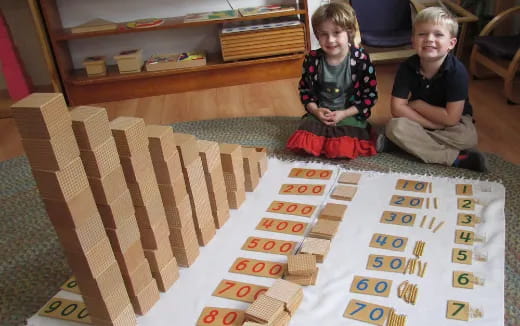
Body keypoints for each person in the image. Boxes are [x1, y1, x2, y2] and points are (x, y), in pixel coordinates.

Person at [383, 6, 487, 172]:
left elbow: (451, 118)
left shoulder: (457, 71)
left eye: (438, 34)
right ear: (413, 40)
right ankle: (453, 159)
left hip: (452, 121)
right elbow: (397, 108)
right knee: (395, 127)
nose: (429, 39)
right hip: (420, 119)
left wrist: (418, 105)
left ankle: (403, 144)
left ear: (451, 43)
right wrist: (432, 125)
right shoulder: (406, 67)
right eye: (422, 34)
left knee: (468, 138)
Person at [286, 2, 379, 159]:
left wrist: (344, 114)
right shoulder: (312, 59)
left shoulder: (361, 59)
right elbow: (305, 91)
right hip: (321, 112)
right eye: (324, 34)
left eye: (337, 33)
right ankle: (324, 137)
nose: (330, 40)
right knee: (303, 144)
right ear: (317, 35)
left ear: (349, 33)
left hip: (348, 112)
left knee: (341, 150)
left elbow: (369, 96)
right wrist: (316, 111)